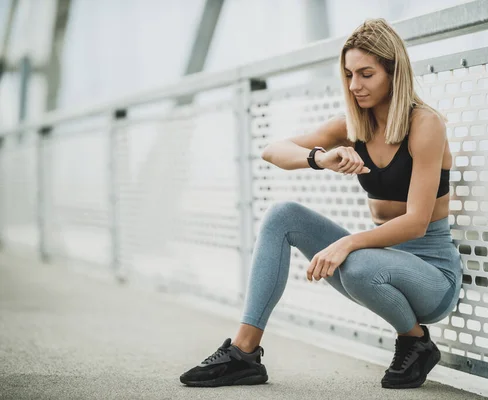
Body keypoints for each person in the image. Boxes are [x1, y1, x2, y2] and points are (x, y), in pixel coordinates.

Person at [180, 17, 463, 390]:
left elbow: (416, 223)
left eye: (366, 74)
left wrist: (345, 243)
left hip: (431, 278)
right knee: (283, 216)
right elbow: (273, 150)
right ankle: (243, 353)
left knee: (358, 263)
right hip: (375, 272)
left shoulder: (425, 124)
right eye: (348, 74)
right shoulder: (353, 126)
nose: (355, 85)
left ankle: (415, 341)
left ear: (393, 73)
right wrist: (319, 158)